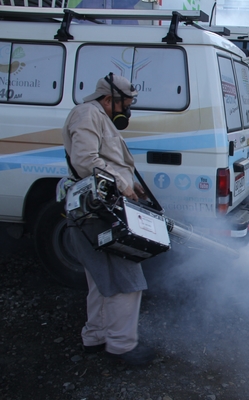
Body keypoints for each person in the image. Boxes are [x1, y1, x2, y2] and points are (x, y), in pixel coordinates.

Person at [62, 73, 156, 366]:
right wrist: (122, 183)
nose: (127, 111)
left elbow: (108, 159)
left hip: (103, 207)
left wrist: (132, 184)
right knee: (125, 278)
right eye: (125, 105)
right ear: (107, 99)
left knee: (100, 277)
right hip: (99, 211)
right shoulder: (87, 115)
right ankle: (121, 346)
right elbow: (85, 160)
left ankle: (96, 336)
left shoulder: (97, 116)